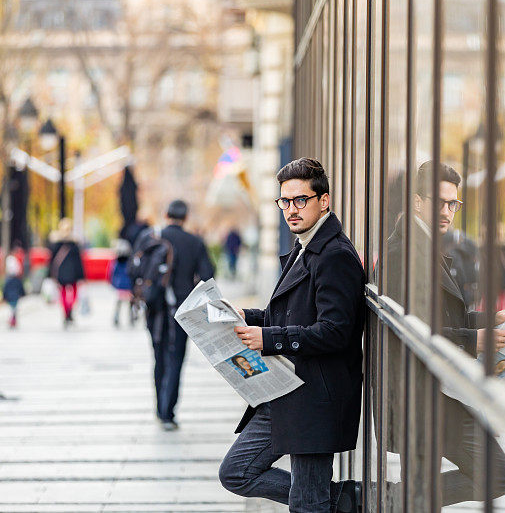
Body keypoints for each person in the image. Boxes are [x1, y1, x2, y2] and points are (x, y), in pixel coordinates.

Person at [219, 158, 365, 513]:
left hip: (315, 398)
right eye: (285, 201)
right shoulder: (305, 247)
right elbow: (292, 313)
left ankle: (340, 499)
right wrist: (246, 316)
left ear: (324, 200)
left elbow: (335, 331)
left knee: (307, 505)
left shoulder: (335, 256)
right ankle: (346, 499)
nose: (291, 210)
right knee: (237, 472)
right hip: (286, 390)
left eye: (301, 200)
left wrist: (269, 339)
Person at [380, 161, 505, 507]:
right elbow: (411, 329)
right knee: (499, 474)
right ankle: (394, 499)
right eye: (438, 202)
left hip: (436, 391)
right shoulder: (403, 252)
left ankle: (400, 500)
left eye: (452, 204)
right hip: (422, 395)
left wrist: (491, 318)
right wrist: (476, 340)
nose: (447, 212)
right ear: (415, 201)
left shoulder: (424, 243)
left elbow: (438, 315)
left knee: (434, 485)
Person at [150, 200, 214, 431]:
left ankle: (159, 408)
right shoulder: (194, 242)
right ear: (185, 217)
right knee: (176, 356)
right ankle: (168, 412)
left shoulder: (153, 237)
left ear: (166, 214)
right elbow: (208, 274)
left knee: (158, 355)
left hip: (155, 307)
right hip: (182, 309)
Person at [49, 218, 85, 327]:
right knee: (74, 293)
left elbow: (51, 261)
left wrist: (51, 274)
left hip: (60, 273)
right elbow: (78, 261)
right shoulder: (74, 244)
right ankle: (70, 310)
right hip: (73, 273)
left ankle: (66, 312)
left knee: (63, 293)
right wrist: (81, 276)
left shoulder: (56, 244)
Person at [109, 239, 135, 327]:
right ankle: (131, 317)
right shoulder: (130, 262)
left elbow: (112, 273)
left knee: (119, 302)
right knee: (130, 303)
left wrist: (113, 283)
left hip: (120, 285)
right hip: (129, 285)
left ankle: (116, 317)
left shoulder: (116, 262)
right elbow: (133, 273)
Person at [1, 255, 25, 328]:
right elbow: (21, 288)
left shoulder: (8, 280)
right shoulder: (17, 280)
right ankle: (13, 319)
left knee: (12, 309)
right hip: (15, 297)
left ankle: (12, 319)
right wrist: (22, 294)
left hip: (10, 297)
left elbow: (4, 289)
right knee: (14, 309)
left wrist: (4, 296)